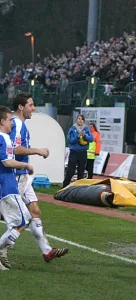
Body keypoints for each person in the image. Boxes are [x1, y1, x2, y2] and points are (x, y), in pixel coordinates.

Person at [9, 93, 69, 264]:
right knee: (20, 217)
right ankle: (3, 249)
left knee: (34, 212)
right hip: (16, 175)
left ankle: (47, 251)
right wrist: (37, 150)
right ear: (21, 107)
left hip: (23, 176)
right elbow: (15, 149)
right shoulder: (18, 124)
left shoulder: (16, 123)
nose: (33, 109)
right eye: (30, 105)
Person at [0, 106, 33, 270]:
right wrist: (25, 164)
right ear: (2, 122)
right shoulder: (4, 138)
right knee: (21, 222)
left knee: (26, 216)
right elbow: (7, 162)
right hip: (7, 185)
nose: (11, 124)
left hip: (5, 185)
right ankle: (1, 251)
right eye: (8, 120)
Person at [63, 114, 93, 187]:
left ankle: (78, 189)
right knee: (70, 171)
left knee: (81, 172)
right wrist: (77, 136)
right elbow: (70, 140)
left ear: (83, 121)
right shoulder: (72, 129)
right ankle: (64, 187)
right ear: (76, 120)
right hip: (74, 152)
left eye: (82, 119)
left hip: (83, 153)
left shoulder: (86, 129)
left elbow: (91, 139)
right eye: (79, 118)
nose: (80, 120)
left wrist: (85, 136)